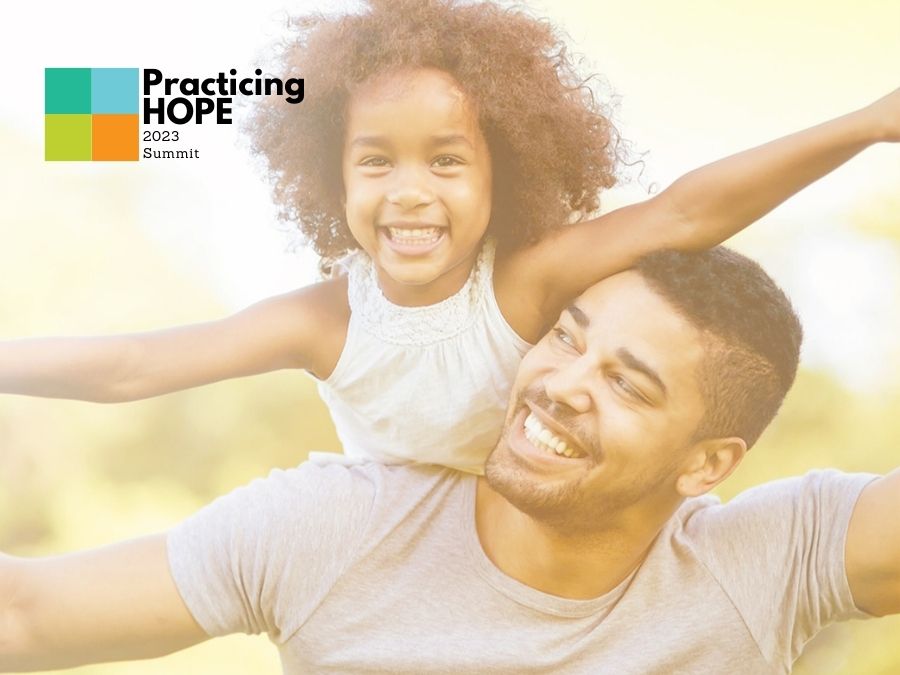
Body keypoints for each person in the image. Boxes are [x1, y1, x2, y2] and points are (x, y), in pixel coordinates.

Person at [2, 0, 898, 473]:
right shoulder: (326, 320)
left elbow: (682, 214)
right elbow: (135, 366)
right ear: (333, 176)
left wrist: (863, 123)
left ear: (502, 173)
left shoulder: (524, 286)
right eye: (376, 162)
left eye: (446, 162)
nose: (409, 194)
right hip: (390, 549)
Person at [2, 246, 898, 674]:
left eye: (627, 385)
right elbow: (26, 615)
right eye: (564, 337)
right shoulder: (342, 524)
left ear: (707, 463)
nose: (558, 383)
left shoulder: (764, 562)